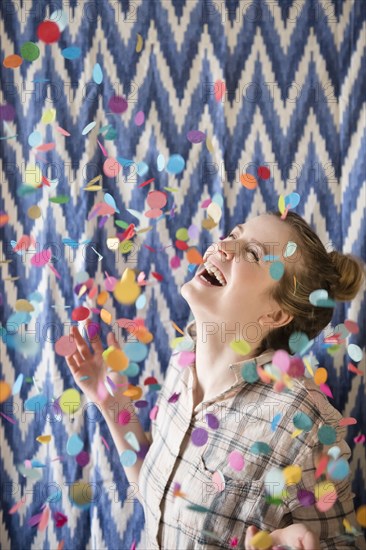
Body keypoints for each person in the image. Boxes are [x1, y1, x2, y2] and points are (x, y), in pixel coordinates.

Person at [65, 211, 366, 549]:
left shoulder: (306, 424)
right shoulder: (183, 360)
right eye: (232, 234)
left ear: (276, 314)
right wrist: (108, 396)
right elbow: (160, 496)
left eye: (251, 253)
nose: (222, 246)